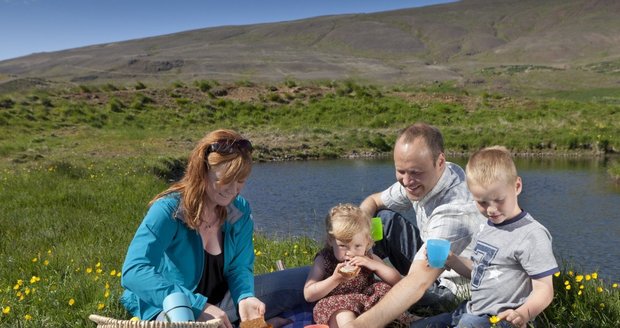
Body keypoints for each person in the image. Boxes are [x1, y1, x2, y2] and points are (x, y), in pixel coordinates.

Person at [120, 129, 308, 328]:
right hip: (173, 308)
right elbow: (133, 271)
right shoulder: (168, 210)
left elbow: (239, 267)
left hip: (222, 304)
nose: (234, 189)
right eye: (226, 179)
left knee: (313, 277)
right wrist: (198, 306)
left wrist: (245, 298)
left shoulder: (239, 210)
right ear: (202, 171)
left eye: (241, 180)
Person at [349, 122, 485, 327]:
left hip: (451, 285)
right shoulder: (427, 176)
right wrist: (360, 230)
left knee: (393, 290)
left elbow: (418, 282)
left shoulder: (454, 210)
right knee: (384, 219)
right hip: (432, 260)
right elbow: (373, 201)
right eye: (400, 171)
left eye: (414, 172)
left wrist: (358, 326)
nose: (406, 181)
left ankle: (357, 289)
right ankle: (339, 269)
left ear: (440, 161)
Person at [412, 146, 559, 328]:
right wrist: (452, 260)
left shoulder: (531, 234)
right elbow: (478, 270)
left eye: (498, 200)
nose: (491, 209)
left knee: (467, 324)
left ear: (517, 186)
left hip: (502, 319)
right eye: (481, 202)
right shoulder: (487, 226)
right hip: (471, 311)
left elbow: (544, 289)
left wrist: (523, 313)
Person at [303, 204, 415, 327]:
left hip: (366, 301)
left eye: (357, 246)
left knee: (385, 290)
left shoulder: (368, 257)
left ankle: (399, 320)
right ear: (331, 240)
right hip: (337, 305)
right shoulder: (324, 259)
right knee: (343, 313)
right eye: (342, 246)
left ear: (367, 242)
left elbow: (397, 281)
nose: (350, 252)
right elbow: (309, 295)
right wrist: (335, 279)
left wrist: (374, 265)